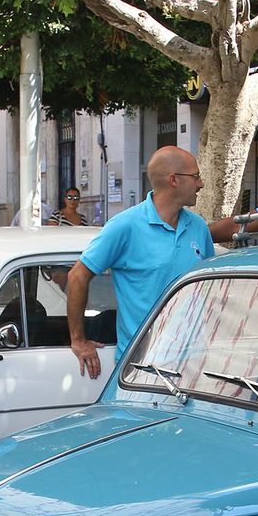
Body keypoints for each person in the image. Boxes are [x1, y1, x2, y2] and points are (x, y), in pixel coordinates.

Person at [68, 145, 213, 376]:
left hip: (194, 364)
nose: (201, 184)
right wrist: (78, 339)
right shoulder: (125, 225)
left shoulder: (198, 227)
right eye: (196, 176)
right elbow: (77, 275)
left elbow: (209, 289)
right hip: (142, 367)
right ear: (174, 180)